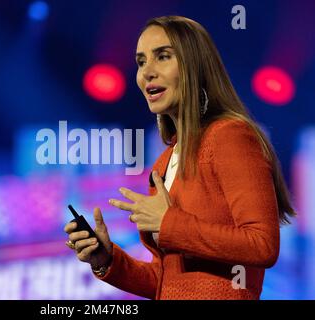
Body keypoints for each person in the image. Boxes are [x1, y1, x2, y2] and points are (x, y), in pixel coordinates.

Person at [63, 15, 296, 300]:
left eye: (162, 57)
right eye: (140, 62)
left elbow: (262, 245)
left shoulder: (230, 135)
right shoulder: (164, 163)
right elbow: (166, 282)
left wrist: (169, 224)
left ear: (194, 66)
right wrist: (107, 260)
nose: (147, 71)